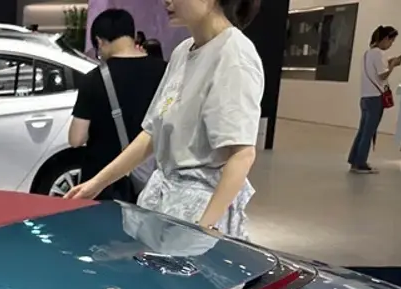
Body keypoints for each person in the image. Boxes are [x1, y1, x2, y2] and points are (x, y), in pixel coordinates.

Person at [68, 0, 265, 242]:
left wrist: (203, 228)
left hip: (201, 211)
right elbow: (152, 132)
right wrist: (97, 183)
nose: (166, 1)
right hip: (164, 204)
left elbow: (242, 154)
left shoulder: (234, 53)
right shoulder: (183, 52)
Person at [69, 8, 167, 202]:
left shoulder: (94, 79)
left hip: (102, 185)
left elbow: (76, 138)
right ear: (133, 35)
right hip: (154, 182)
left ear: (99, 41)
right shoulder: (166, 71)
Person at [349, 26, 401, 174]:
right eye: (391, 41)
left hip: (365, 97)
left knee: (363, 131)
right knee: (369, 132)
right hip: (375, 98)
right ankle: (361, 163)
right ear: (385, 39)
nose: (391, 44)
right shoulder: (378, 53)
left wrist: (389, 63)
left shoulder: (368, 53)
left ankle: (354, 160)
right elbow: (382, 75)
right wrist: (393, 65)